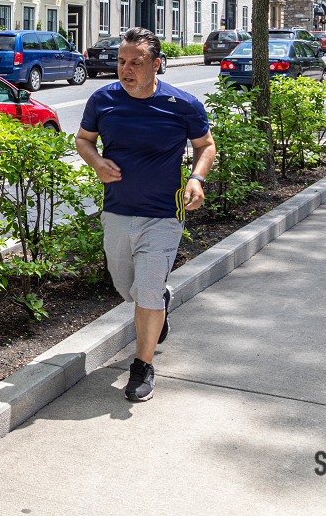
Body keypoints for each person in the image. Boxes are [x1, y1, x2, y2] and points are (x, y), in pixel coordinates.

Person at [74, 27, 217, 403]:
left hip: (163, 214)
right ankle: (159, 305)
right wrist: (96, 162)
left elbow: (205, 145)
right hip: (118, 210)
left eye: (136, 63)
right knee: (128, 290)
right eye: (122, 62)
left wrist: (197, 178)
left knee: (148, 292)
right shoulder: (103, 100)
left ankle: (142, 366)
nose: (126, 69)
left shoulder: (182, 104)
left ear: (156, 65)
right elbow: (83, 139)